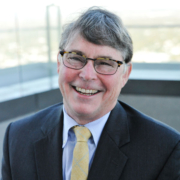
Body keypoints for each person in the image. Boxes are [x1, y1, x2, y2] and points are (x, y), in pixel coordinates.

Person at [1, 7, 180, 180]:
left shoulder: (164, 149)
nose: (87, 75)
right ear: (58, 63)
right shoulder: (17, 137)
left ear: (125, 74)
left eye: (105, 63)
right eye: (76, 58)